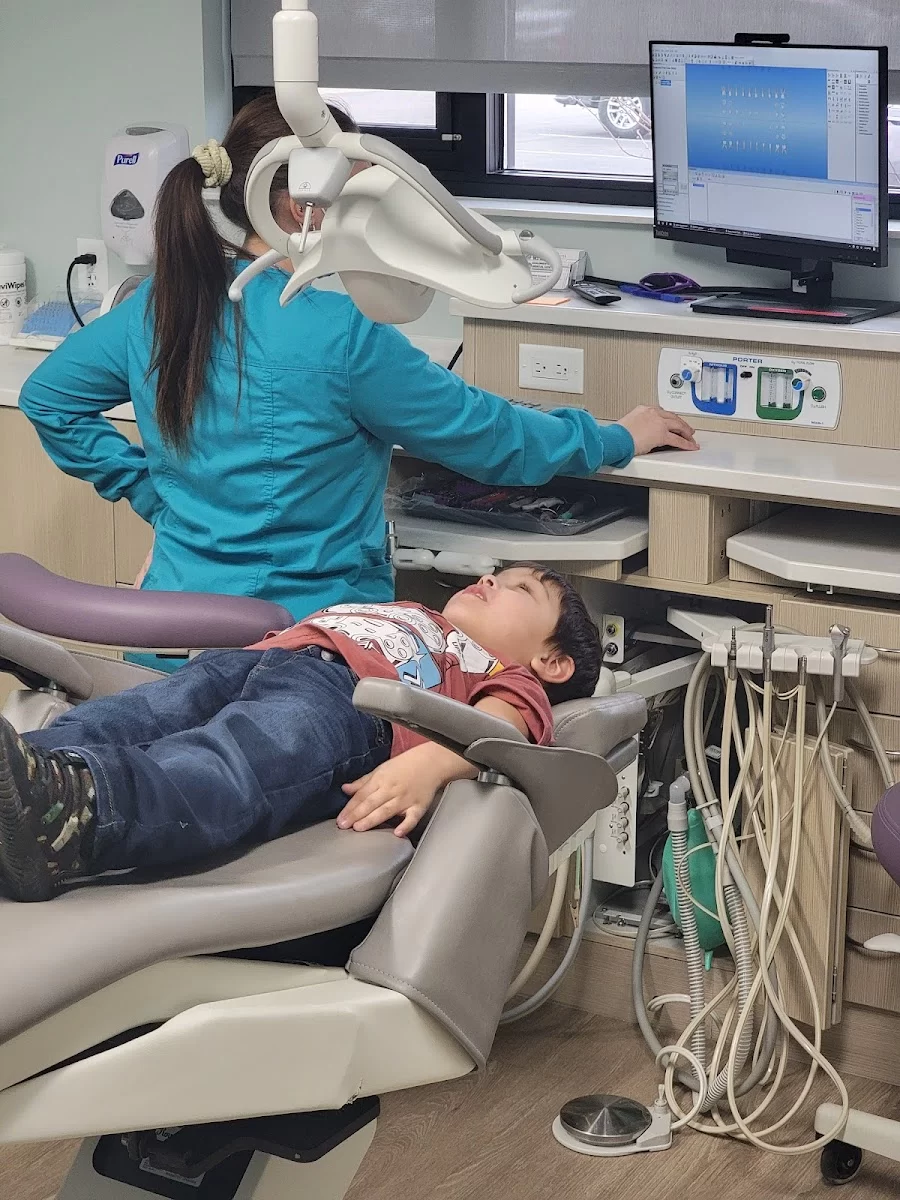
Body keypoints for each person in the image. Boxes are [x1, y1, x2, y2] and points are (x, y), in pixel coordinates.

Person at [18, 94, 697, 663]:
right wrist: (614, 437)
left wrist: (157, 496)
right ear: (302, 206)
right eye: (358, 191)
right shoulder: (341, 334)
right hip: (303, 658)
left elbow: (48, 399)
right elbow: (492, 438)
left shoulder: (158, 306)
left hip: (169, 647)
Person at [0, 564, 602, 903]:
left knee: (225, 762)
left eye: (521, 588)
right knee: (126, 719)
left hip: (348, 706)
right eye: (498, 573)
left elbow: (503, 729)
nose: (491, 578)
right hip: (254, 661)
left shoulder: (502, 673)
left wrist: (434, 763)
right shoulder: (417, 615)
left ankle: (74, 816)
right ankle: (27, 776)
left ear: (552, 663)